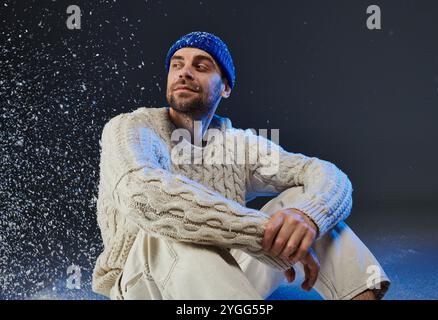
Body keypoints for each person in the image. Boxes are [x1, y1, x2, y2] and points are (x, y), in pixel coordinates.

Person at [92, 31, 390, 300]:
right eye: (177, 65)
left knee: (302, 204)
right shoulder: (130, 128)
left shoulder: (239, 145)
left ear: (225, 88)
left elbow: (322, 173)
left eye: (200, 66)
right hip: (142, 282)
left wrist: (309, 218)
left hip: (219, 279)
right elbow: (146, 197)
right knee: (173, 227)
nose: (184, 73)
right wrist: (266, 238)